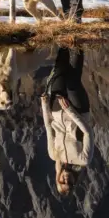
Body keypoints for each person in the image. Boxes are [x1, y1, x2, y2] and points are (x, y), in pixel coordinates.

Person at [41, 47, 91, 196]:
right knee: (72, 82)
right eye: (70, 183)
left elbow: (49, 129)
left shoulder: (53, 155)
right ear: (75, 181)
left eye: (62, 182)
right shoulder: (83, 161)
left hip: (56, 111)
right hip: (78, 110)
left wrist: (44, 107)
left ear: (58, 179)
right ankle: (77, 42)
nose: (66, 180)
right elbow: (88, 133)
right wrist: (70, 110)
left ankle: (65, 40)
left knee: (60, 71)